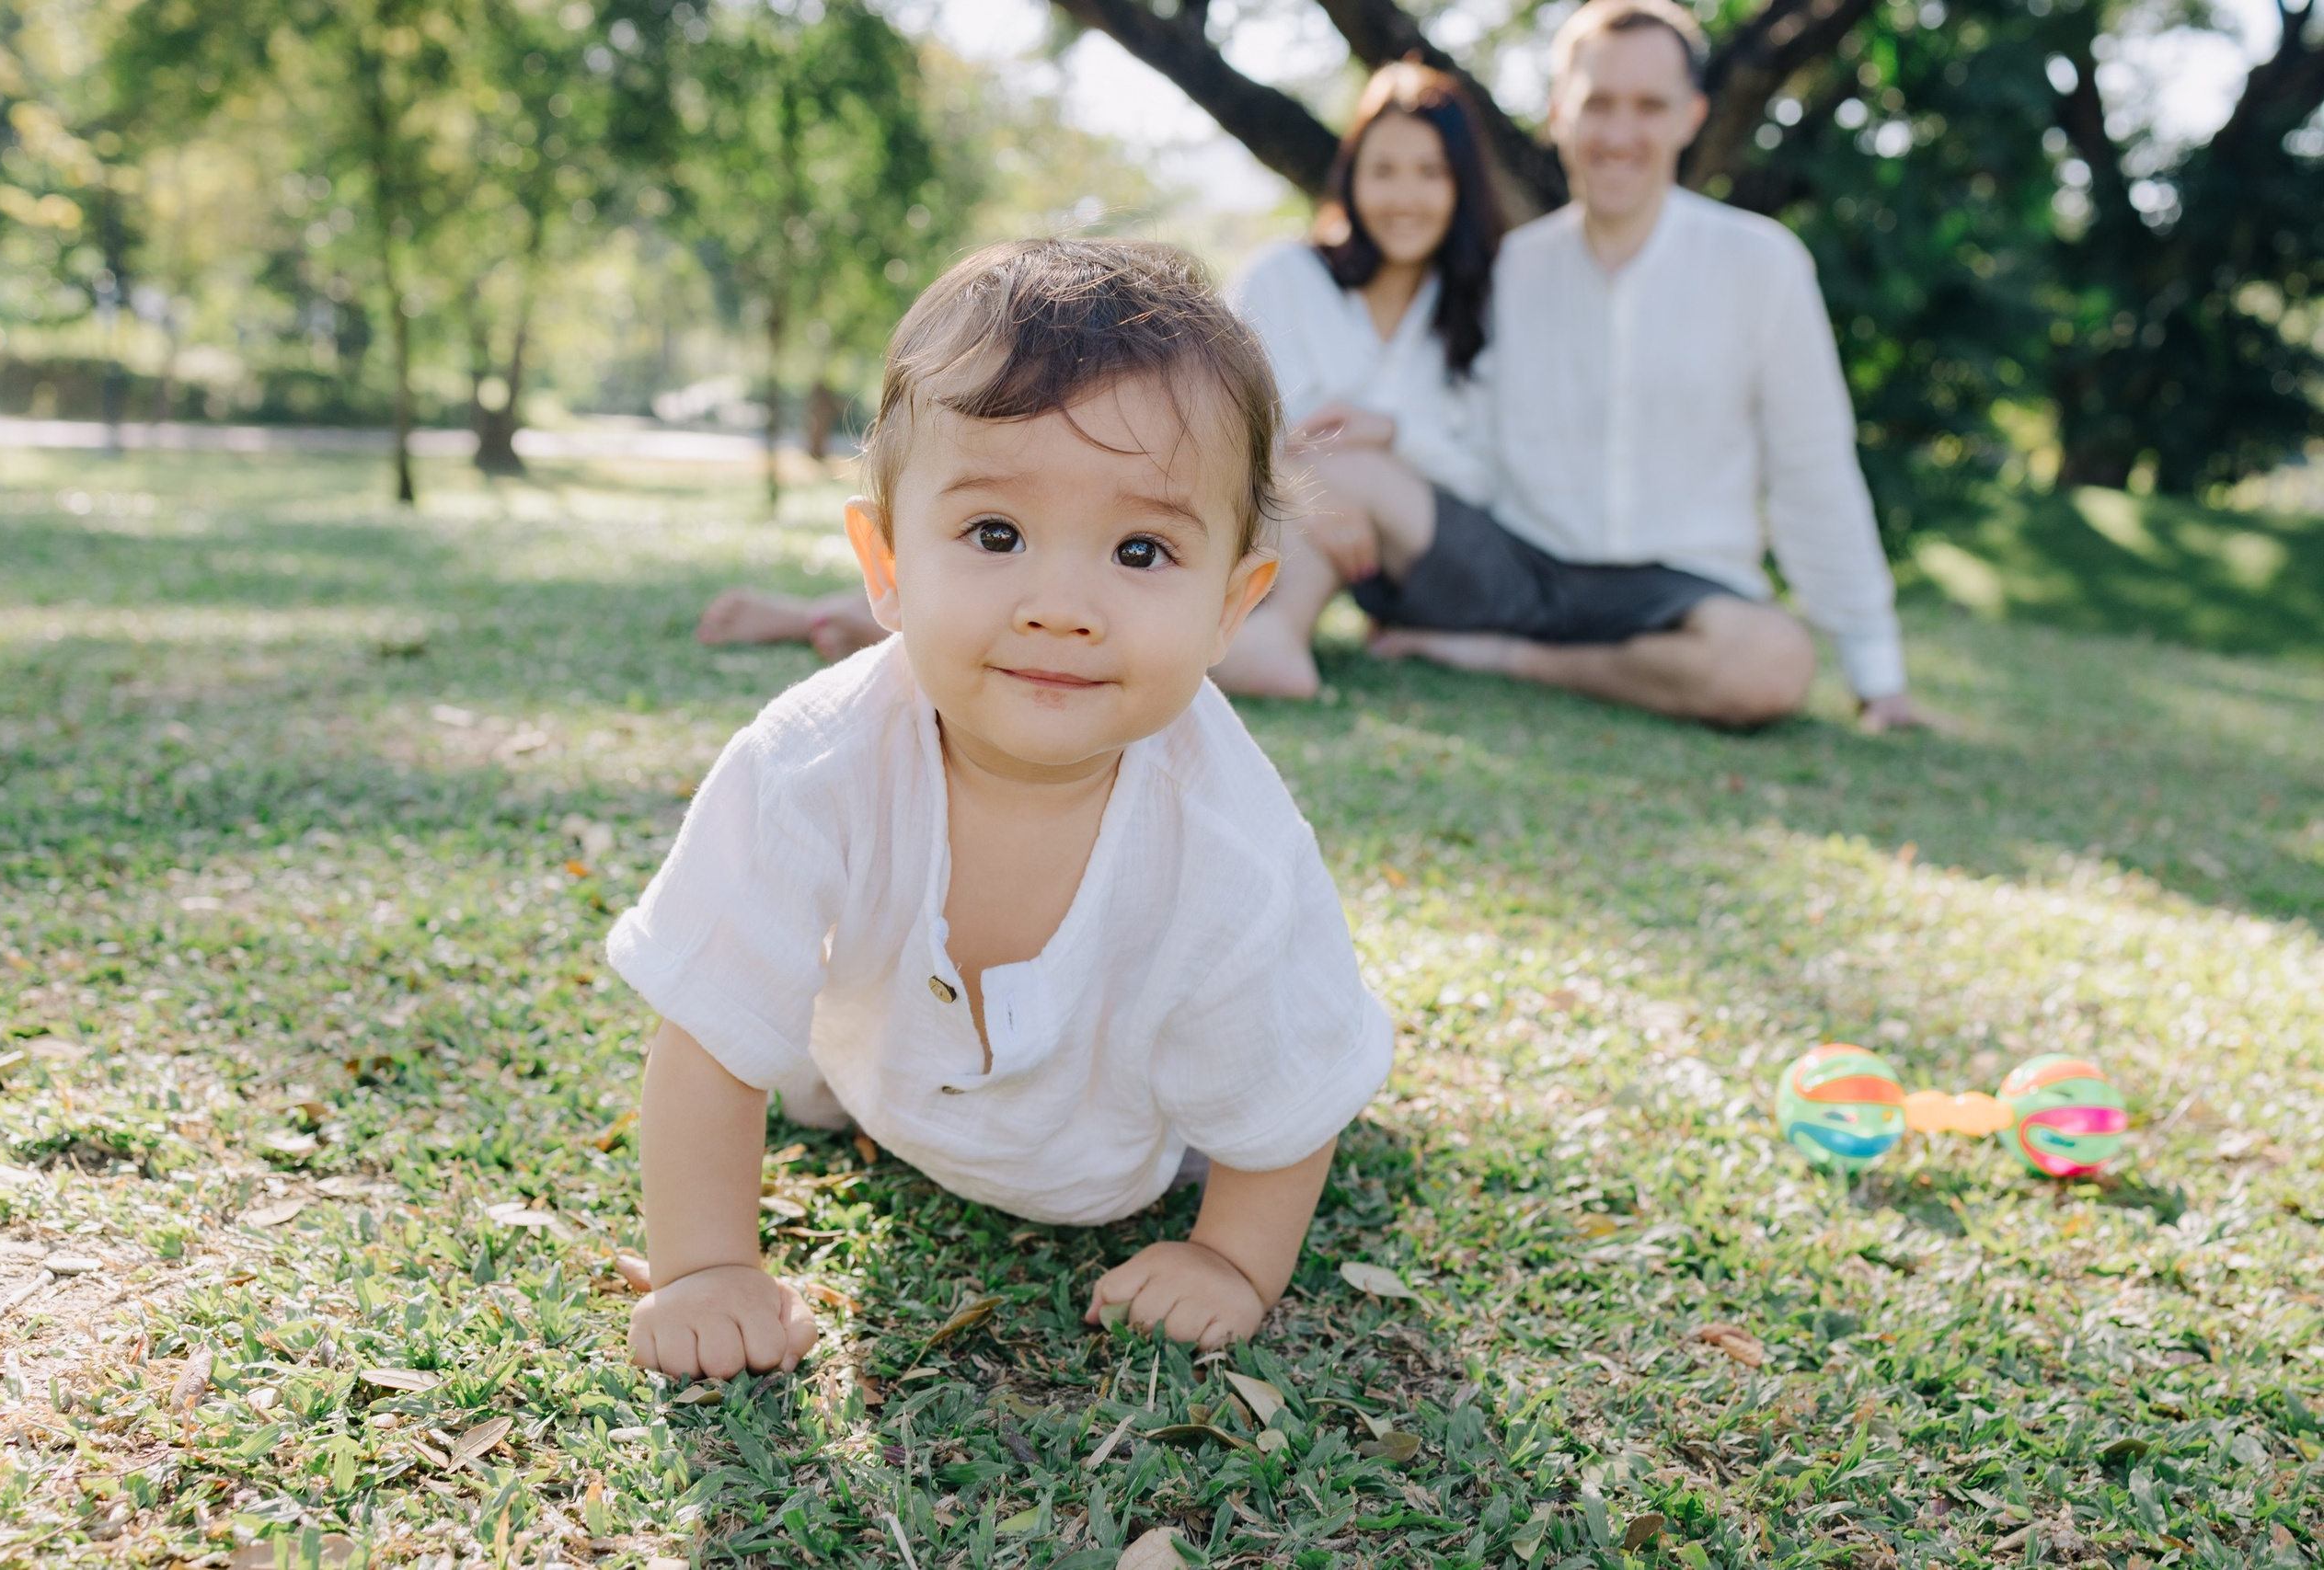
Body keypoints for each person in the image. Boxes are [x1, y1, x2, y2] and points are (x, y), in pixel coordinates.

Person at [606, 240, 1396, 1379]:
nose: (1061, 607)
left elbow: (1290, 1084)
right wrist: (708, 1269)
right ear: (883, 564)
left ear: (1233, 606)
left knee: (1276, 1065)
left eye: (1140, 549)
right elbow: (711, 1032)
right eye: (995, 535)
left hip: (1134, 1153)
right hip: (889, 1087)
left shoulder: (1230, 841)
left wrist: (1229, 1259)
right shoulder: (806, 764)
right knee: (781, 1047)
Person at [1222, 0, 1927, 730]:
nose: (1620, 134)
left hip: (1681, 590)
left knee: (1774, 663)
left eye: (1649, 106)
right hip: (1515, 568)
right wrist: (1384, 435)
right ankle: (1267, 640)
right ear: (1560, 112)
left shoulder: (1763, 265)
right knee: (1345, 455)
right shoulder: (1506, 270)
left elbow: (1813, 472)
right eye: (1599, 105)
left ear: (1691, 116)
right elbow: (1450, 425)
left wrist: (1878, 676)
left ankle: (1498, 657)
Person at [1211, 62, 1504, 700]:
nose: (1405, 197)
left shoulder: (1486, 305)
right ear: (1351, 178)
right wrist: (1306, 486)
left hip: (1439, 554)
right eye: (1384, 171)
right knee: (1308, 466)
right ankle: (1264, 636)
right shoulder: (1281, 278)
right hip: (1294, 532)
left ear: (1463, 185)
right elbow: (1225, 427)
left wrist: (1391, 436)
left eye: (1431, 172)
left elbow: (1489, 475)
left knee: (1344, 459)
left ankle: (1266, 634)